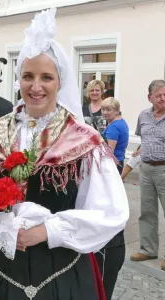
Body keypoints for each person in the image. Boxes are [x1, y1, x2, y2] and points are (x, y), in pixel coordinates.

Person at [0, 8, 128, 300]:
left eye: (46, 77)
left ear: (60, 82)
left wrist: (47, 231)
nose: (36, 86)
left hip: (62, 272)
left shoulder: (84, 140)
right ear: (19, 81)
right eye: (28, 76)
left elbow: (109, 211)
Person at [93, 97, 129, 299]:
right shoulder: (119, 123)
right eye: (103, 109)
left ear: (116, 110)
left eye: (108, 109)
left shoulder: (114, 128)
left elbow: (108, 154)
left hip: (112, 168)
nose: (105, 112)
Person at [130, 79, 165, 271]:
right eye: (159, 95)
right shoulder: (143, 115)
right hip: (145, 169)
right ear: (149, 97)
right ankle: (148, 249)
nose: (163, 98)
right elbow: (143, 139)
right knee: (147, 211)